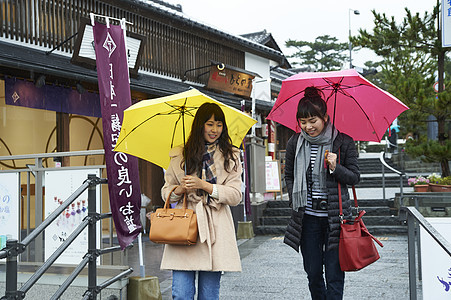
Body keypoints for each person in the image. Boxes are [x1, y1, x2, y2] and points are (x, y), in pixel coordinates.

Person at [283, 86, 360, 299]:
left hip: (336, 219)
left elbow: (355, 177)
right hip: (307, 218)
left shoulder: (342, 142)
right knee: (314, 272)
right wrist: (295, 199)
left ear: (324, 117)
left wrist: (336, 167)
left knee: (335, 274)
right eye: (303, 122)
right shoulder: (294, 143)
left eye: (313, 121)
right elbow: (288, 175)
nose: (308, 127)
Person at [160, 102, 242, 300]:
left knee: (209, 296)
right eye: (210, 124)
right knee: (181, 294)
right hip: (183, 228)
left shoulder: (231, 155)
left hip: (214, 229)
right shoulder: (180, 155)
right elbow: (165, 193)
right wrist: (180, 189)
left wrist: (204, 185)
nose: (215, 130)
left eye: (219, 124)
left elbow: (235, 195)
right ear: (200, 125)